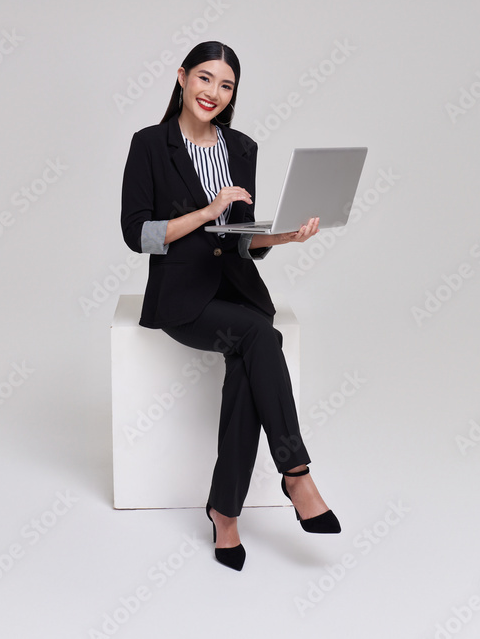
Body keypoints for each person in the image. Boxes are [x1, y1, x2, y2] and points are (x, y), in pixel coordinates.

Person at [120, 41, 340, 571]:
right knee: (261, 339)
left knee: (251, 355)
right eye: (204, 79)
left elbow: (241, 240)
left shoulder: (242, 147)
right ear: (181, 78)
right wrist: (207, 210)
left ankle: (225, 513)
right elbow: (138, 234)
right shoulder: (150, 144)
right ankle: (297, 473)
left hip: (238, 291)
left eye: (226, 85)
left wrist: (283, 237)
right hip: (184, 297)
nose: (213, 93)